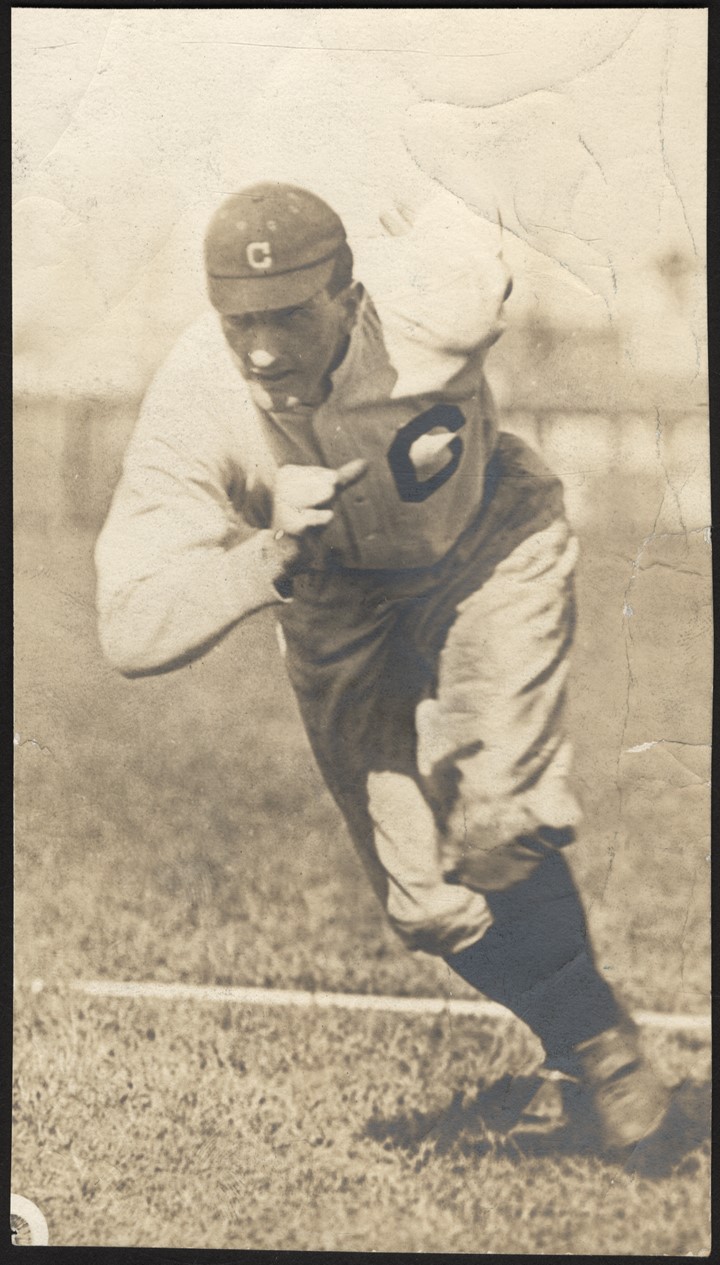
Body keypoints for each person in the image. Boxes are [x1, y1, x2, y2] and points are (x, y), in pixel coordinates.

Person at [95, 181, 673, 1158]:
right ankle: (583, 1037)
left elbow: (472, 210)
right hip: (334, 599)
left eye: (288, 316)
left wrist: (426, 193)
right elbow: (129, 627)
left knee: (496, 821)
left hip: (489, 546)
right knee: (431, 905)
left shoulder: (432, 300)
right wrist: (263, 560)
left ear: (350, 293)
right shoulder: (199, 396)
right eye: (241, 321)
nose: (264, 348)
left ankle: (603, 1055)